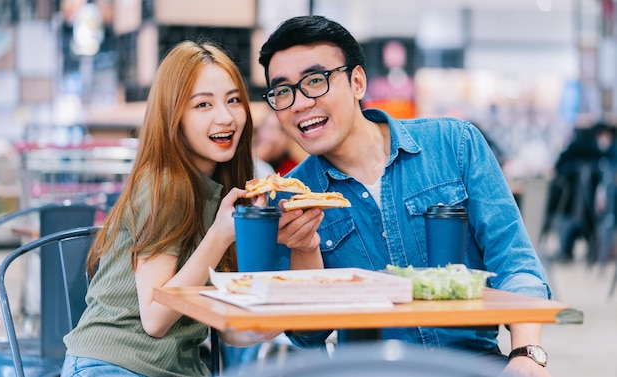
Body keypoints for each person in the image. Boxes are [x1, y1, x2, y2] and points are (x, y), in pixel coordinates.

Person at [256, 15, 552, 377]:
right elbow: (309, 334)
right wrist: (305, 249)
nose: (299, 103)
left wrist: (525, 354)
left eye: (315, 81)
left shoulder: (454, 144)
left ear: (357, 82)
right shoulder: (289, 196)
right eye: (283, 91)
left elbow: (515, 262)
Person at [61, 40, 279, 377]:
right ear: (173, 116)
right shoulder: (163, 184)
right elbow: (156, 318)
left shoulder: (223, 195)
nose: (226, 117)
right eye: (203, 104)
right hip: (113, 365)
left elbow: (235, 331)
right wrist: (220, 235)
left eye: (234, 100)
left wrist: (299, 313)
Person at [545, 121, 616, 263]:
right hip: (575, 199)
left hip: (579, 201)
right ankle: (573, 251)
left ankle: (576, 251)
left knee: (581, 226)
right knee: (577, 226)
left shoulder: (582, 149)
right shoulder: (589, 150)